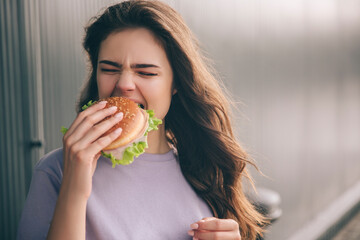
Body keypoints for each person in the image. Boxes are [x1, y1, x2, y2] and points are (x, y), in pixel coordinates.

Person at [17, 0, 266, 239]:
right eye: (109, 69)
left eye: (145, 72)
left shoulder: (206, 171)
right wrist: (74, 187)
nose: (124, 85)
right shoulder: (56, 169)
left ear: (176, 83)